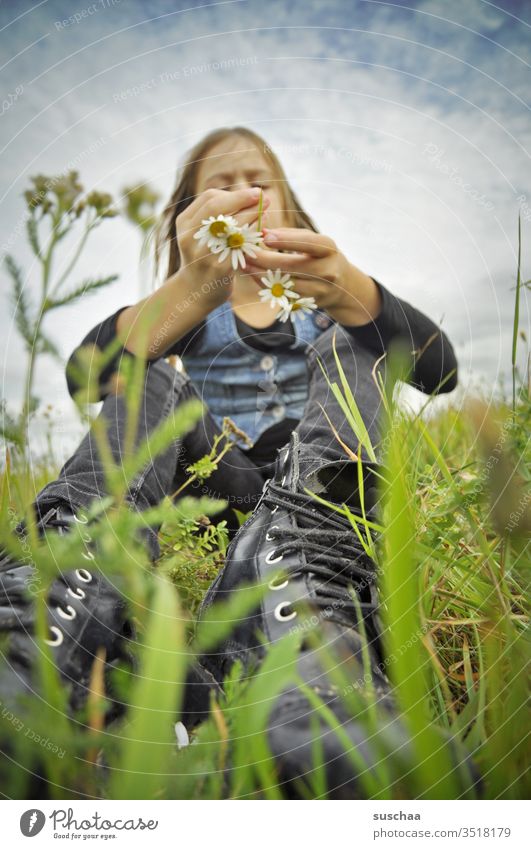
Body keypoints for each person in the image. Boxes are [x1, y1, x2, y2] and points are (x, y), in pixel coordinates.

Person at [0, 127, 471, 798]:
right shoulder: (195, 308)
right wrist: (188, 291)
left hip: (308, 495)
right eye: (218, 185)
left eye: (258, 178)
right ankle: (59, 596)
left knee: (350, 344)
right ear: (190, 213)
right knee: (151, 378)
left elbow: (439, 371)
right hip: (215, 489)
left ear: (288, 202)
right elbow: (87, 376)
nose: (242, 194)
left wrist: (351, 293)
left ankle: (307, 638)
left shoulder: (319, 304)